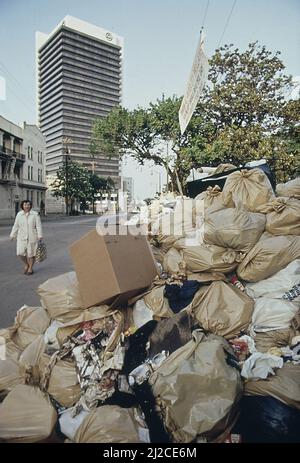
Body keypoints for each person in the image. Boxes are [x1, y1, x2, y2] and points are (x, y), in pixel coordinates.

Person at [10, 200, 43, 275]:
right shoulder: (19, 214)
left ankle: (30, 268)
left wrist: (40, 235)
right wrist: (12, 235)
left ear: (30, 206)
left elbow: (38, 225)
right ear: (22, 206)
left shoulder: (35, 214)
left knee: (31, 254)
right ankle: (26, 264)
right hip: (21, 237)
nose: (27, 206)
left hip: (32, 236)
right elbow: (16, 225)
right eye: (25, 205)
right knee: (20, 253)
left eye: (28, 205)